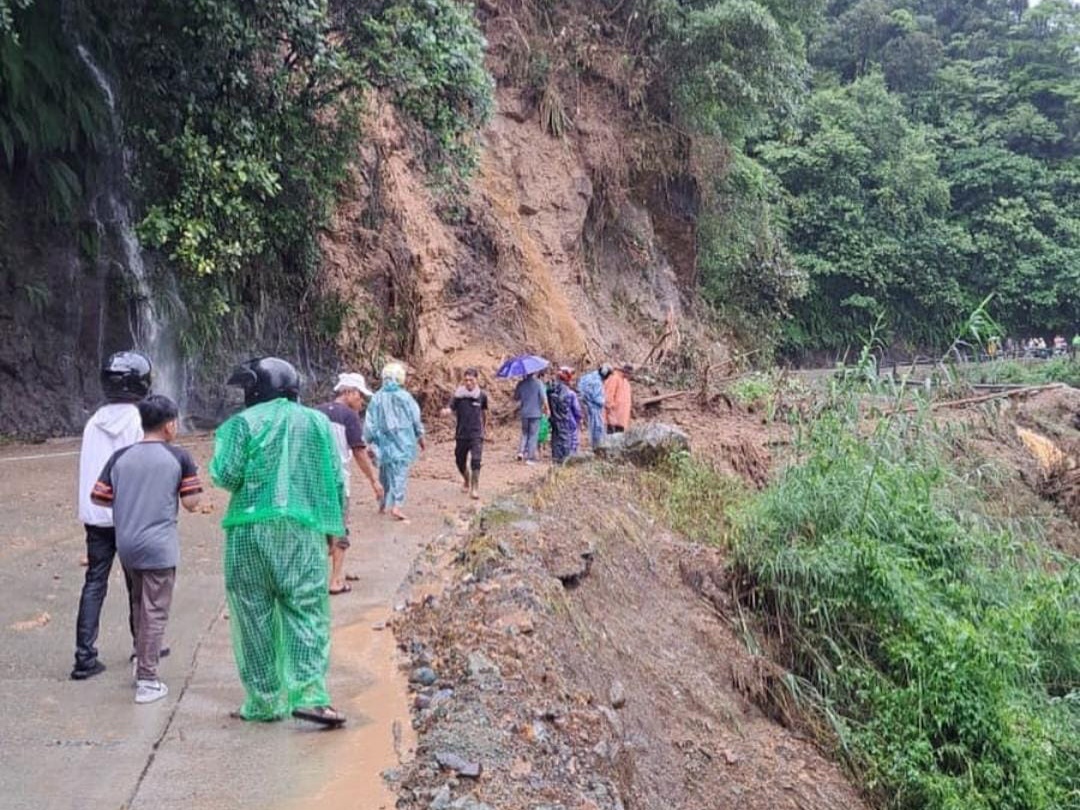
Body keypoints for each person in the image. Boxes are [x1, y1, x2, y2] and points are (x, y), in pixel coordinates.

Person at [210, 357, 347, 727]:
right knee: (305, 609)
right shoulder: (319, 423)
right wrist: (336, 531)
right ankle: (311, 696)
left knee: (253, 615)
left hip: (248, 532)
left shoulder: (242, 424)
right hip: (302, 532)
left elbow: (225, 475)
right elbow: (334, 479)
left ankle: (263, 700)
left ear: (257, 387)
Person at [90, 395, 202, 703]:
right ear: (169, 425)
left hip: (127, 544)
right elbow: (192, 503)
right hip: (159, 548)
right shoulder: (179, 457)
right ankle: (148, 680)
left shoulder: (121, 457)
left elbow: (98, 498)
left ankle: (142, 661)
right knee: (155, 611)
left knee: (139, 605)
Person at [71, 350, 152, 681]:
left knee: (94, 583)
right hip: (128, 514)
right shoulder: (138, 420)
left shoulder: (94, 421)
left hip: (95, 515)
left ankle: (84, 656)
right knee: (138, 584)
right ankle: (142, 648)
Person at [316, 373, 384, 595]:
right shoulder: (349, 417)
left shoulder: (315, 413)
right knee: (339, 530)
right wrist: (374, 480)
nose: (362, 402)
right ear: (348, 393)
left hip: (313, 481)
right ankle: (335, 580)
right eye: (360, 396)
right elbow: (359, 452)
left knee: (317, 529)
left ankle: (316, 577)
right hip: (338, 481)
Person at [363, 362, 426, 522]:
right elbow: (415, 417)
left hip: (383, 441)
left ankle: (383, 503)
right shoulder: (405, 397)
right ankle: (397, 505)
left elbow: (369, 421)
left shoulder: (377, 397)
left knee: (384, 472)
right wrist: (420, 436)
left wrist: (368, 440)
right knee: (400, 473)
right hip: (403, 441)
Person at [441, 368, 489, 499]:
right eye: (466, 380)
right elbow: (450, 408)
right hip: (461, 433)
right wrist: (446, 412)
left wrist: (484, 428)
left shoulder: (482, 395)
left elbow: (484, 412)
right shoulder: (458, 395)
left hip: (476, 434)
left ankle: (475, 488)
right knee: (459, 460)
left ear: (476, 380)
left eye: (471, 380)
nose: (468, 383)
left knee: (476, 460)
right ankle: (466, 479)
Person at [547, 367, 582, 464]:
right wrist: (579, 420)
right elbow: (577, 411)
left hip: (555, 422)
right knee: (569, 445)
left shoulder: (550, 391)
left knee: (556, 443)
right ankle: (567, 465)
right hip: (568, 423)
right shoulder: (570, 394)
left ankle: (556, 464)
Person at [513, 371, 547, 463]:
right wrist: (547, 409)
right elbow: (544, 397)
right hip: (536, 413)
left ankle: (521, 452)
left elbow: (516, 397)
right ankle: (530, 457)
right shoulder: (538, 383)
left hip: (524, 412)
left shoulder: (520, 384)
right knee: (533, 435)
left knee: (524, 433)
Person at [577, 364, 611, 449]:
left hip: (585, 404)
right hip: (594, 407)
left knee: (592, 427)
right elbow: (597, 397)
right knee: (597, 428)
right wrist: (605, 402)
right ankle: (597, 447)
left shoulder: (587, 376)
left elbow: (579, 387)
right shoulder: (597, 382)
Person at [603, 363, 634, 434]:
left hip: (621, 417)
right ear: (625, 371)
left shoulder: (626, 382)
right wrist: (610, 408)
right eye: (629, 373)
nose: (630, 375)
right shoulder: (614, 378)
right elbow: (608, 395)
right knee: (611, 437)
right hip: (613, 416)